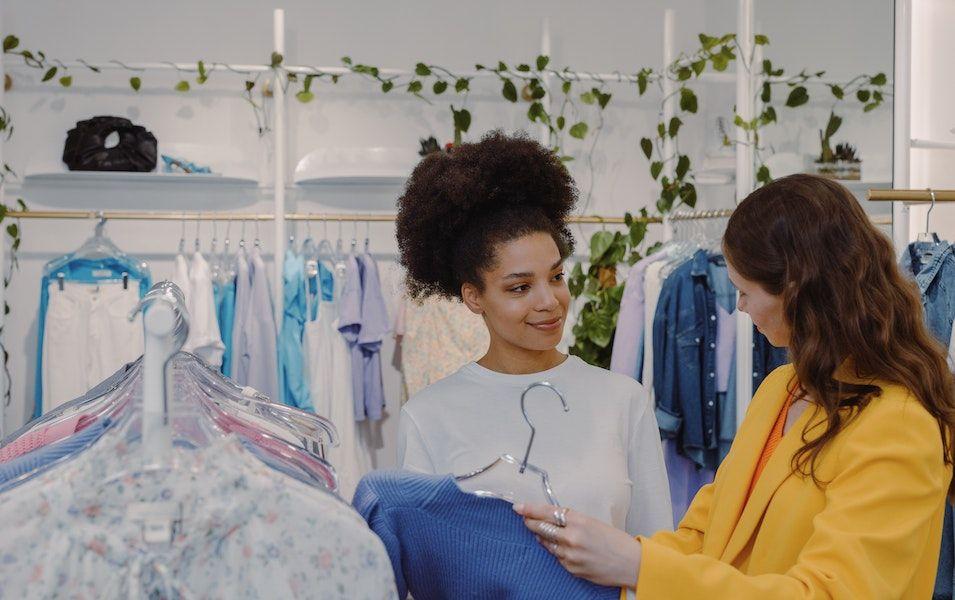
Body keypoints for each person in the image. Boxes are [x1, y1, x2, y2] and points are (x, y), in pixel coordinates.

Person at [515, 173, 955, 599]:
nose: (739, 308)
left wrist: (638, 566)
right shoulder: (782, 389)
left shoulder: (899, 424)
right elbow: (707, 536)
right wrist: (595, 550)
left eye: (745, 292)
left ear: (797, 289)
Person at [393, 130, 673, 537]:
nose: (550, 300)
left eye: (556, 276)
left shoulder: (622, 400)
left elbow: (655, 552)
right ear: (474, 297)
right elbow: (425, 561)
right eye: (519, 287)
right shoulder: (428, 417)